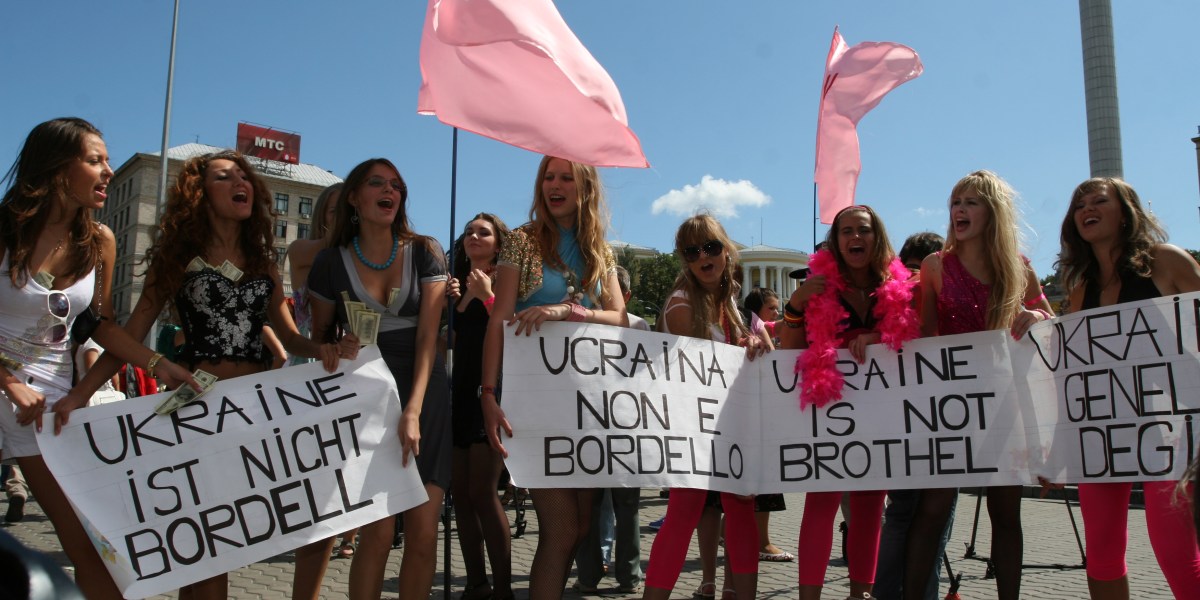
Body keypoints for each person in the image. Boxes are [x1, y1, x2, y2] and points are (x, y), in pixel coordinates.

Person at [64, 149, 352, 600]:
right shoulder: (177, 259)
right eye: (225, 177)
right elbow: (129, 336)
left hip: (255, 411)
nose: (241, 182)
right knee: (206, 551)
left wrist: (327, 349)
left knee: (270, 530)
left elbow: (292, 340)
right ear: (200, 193)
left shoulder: (262, 260)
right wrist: (79, 395)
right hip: (198, 411)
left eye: (244, 176)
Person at [0, 117, 193, 599]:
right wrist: (8, 381)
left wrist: (158, 365)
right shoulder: (5, 229)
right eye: (95, 160)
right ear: (57, 168)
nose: (107, 171)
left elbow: (98, 326)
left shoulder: (101, 241)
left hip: (48, 411)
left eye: (107, 161)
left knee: (92, 547)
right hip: (10, 390)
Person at [479, 155, 628, 599]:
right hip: (534, 404)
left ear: (585, 189)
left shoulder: (597, 248)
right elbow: (499, 319)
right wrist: (488, 394)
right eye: (548, 176)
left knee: (581, 527)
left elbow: (620, 317)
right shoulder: (522, 241)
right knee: (561, 530)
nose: (554, 185)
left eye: (566, 177)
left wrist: (569, 310)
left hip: (588, 407)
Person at [905, 171, 1053, 600]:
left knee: (1005, 513)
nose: (960, 210)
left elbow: (1051, 321)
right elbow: (925, 336)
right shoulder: (935, 266)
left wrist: (1040, 317)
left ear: (993, 212)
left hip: (1006, 405)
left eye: (971, 202)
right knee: (932, 509)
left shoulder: (1019, 267)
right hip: (951, 404)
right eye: (956, 202)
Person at [307, 158, 450, 600]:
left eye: (396, 185)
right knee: (378, 532)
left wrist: (413, 409)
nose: (390, 191)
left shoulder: (426, 250)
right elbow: (320, 340)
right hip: (366, 394)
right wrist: (337, 346)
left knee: (425, 533)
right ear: (354, 197)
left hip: (425, 390)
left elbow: (430, 336)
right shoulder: (330, 262)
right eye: (377, 183)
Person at [1055, 177, 1200, 599]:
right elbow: (1075, 370)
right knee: (1101, 551)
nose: (1086, 209)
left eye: (1099, 200)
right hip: (1105, 429)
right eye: (1079, 204)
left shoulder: (1166, 262)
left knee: (1174, 549)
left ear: (1126, 212)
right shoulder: (1081, 288)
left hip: (1172, 427)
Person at [779, 205, 920, 600]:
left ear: (877, 238)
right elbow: (790, 352)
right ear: (835, 241)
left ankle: (861, 595)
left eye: (864, 230)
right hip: (829, 406)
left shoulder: (899, 284)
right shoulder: (819, 285)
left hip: (879, 411)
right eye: (846, 231)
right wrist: (795, 307)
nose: (855, 237)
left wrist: (878, 339)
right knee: (820, 502)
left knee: (870, 507)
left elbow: (916, 336)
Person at [642, 213, 768, 600]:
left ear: (726, 251)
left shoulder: (729, 302)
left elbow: (763, 360)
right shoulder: (682, 304)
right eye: (692, 250)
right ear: (685, 258)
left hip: (730, 427)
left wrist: (759, 344)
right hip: (693, 429)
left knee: (741, 509)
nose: (703, 256)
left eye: (711, 247)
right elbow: (702, 368)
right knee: (684, 512)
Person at [872, 231, 950, 600]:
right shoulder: (923, 291)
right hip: (937, 418)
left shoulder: (894, 293)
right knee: (932, 519)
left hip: (905, 419)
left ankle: (889, 593)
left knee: (902, 514)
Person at [448, 212, 513, 600]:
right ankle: (476, 584)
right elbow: (450, 339)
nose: (474, 236)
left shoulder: (506, 279)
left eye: (483, 232)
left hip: (492, 391)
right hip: (459, 392)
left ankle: (503, 589)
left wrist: (487, 294)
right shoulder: (455, 284)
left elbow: (508, 328)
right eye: (470, 231)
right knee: (461, 493)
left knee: (483, 492)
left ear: (497, 243)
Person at [573, 264, 645, 594]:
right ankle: (628, 576)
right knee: (620, 508)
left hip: (606, 429)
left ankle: (591, 576)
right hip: (616, 429)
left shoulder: (634, 326)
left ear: (623, 295)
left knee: (606, 505)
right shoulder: (638, 326)